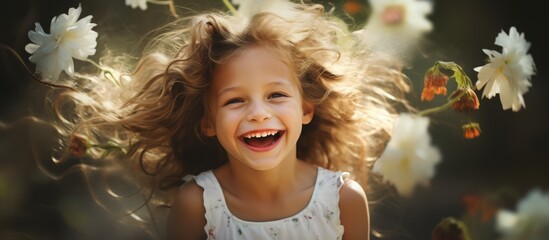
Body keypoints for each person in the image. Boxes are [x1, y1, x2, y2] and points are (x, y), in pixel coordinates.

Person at [52, 1, 409, 239]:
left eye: (276, 95)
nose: (258, 112)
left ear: (306, 109)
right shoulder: (198, 205)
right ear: (208, 122)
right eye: (235, 100)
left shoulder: (343, 199)